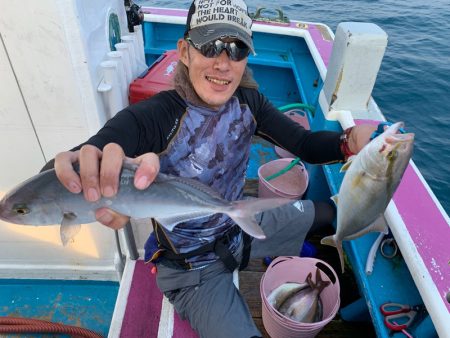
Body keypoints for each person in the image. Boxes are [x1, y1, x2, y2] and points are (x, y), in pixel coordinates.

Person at [50, 0, 378, 336]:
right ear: (184, 51)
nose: (223, 63)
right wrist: (74, 164)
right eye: (210, 46)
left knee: (328, 213)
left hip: (237, 227)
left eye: (236, 50)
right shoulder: (154, 117)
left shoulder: (250, 103)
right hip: (193, 270)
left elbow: (306, 145)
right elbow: (92, 152)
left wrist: (347, 143)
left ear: (246, 58)